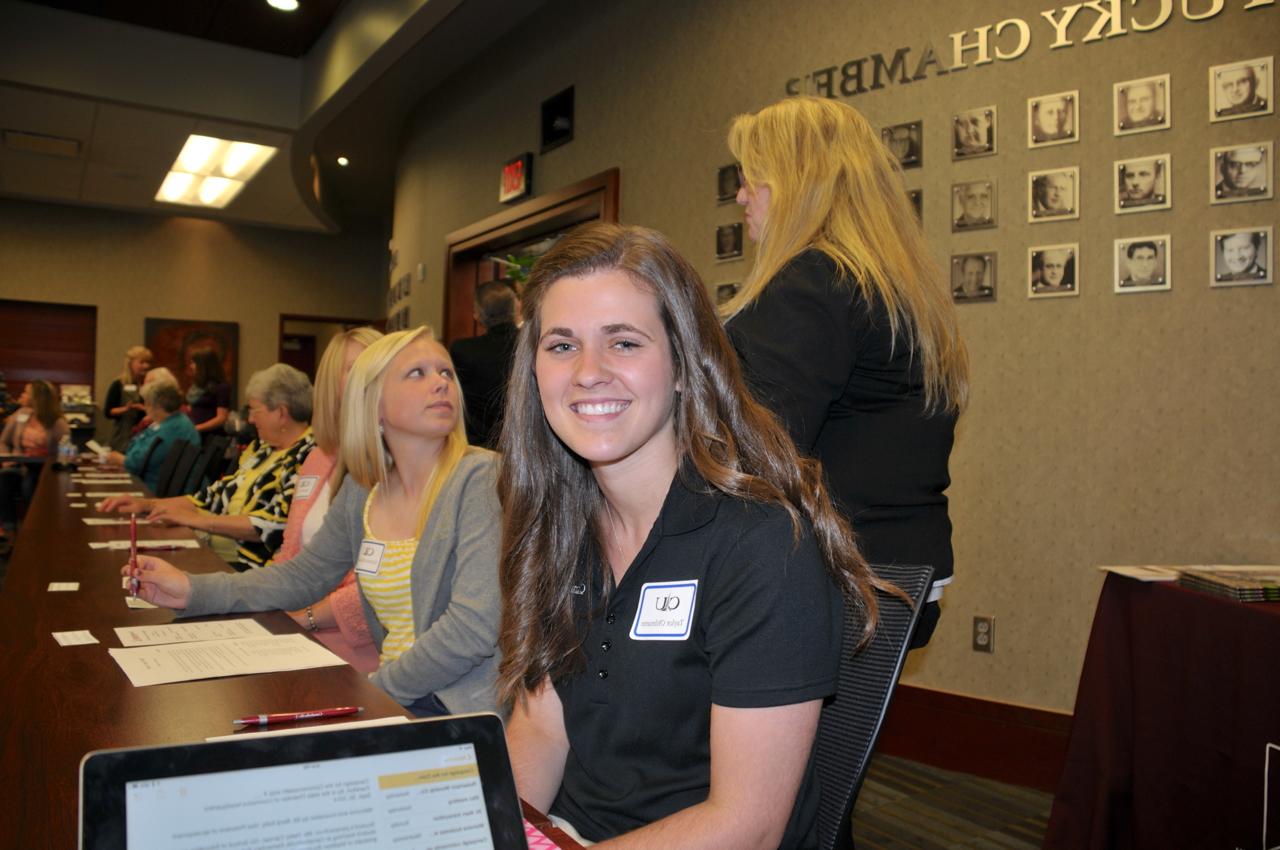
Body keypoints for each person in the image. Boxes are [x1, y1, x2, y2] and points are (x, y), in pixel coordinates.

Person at [499, 223, 887, 849]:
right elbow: (542, 732)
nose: (588, 373)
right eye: (562, 346)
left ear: (684, 366)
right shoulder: (561, 524)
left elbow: (748, 827)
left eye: (623, 342)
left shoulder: (761, 544)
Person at [124, 328, 502, 716]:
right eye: (417, 373)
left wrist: (377, 694)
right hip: (398, 700)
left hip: (455, 709)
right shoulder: (363, 486)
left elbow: (471, 629)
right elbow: (302, 576)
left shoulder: (480, 477)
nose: (440, 383)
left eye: (446, 372)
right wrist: (192, 590)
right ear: (372, 403)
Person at [724, 96, 969, 649]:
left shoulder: (812, 281)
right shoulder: (895, 287)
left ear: (795, 181)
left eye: (751, 178)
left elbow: (759, 451)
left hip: (836, 578)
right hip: (902, 569)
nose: (740, 195)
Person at [99, 363, 315, 569]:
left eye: (254, 410)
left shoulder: (308, 456)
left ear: (281, 413)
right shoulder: (264, 449)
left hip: (248, 568)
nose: (249, 419)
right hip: (215, 553)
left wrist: (195, 520)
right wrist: (146, 504)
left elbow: (271, 525)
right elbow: (212, 497)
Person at [277, 327, 384, 673]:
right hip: (300, 635)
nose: (371, 376)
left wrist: (304, 618)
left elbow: (380, 587)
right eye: (355, 367)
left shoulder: (395, 463)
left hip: (359, 652)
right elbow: (290, 553)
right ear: (330, 386)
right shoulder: (318, 459)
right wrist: (267, 608)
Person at [449, 281, 520, 448]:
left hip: (477, 447)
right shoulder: (533, 344)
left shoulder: (462, 350)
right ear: (516, 309)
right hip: (525, 442)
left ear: (478, 316)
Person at [0, 380, 71, 540]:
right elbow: (3, 441)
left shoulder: (57, 422)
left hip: (43, 467)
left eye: (26, 392)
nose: (22, 396)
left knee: (29, 484)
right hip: (17, 463)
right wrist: (6, 458)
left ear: (36, 397)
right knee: (4, 479)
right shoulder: (20, 414)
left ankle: (34, 529)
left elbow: (65, 449)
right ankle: (8, 528)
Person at [101, 382, 199, 491]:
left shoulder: (172, 428)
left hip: (156, 488)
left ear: (157, 406)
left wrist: (121, 459)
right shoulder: (170, 421)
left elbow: (137, 463)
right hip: (157, 482)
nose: (145, 408)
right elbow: (136, 445)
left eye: (146, 403)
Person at [102, 345, 152, 451]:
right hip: (122, 436)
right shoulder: (118, 384)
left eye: (148, 362)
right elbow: (108, 412)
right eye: (142, 362)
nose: (146, 366)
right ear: (130, 363)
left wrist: (143, 408)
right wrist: (126, 409)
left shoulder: (151, 384)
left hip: (145, 435)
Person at [186, 347, 230, 438]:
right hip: (196, 435)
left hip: (211, 437)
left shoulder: (221, 387)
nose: (191, 366)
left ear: (203, 365)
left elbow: (221, 418)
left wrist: (197, 428)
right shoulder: (196, 387)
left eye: (194, 363)